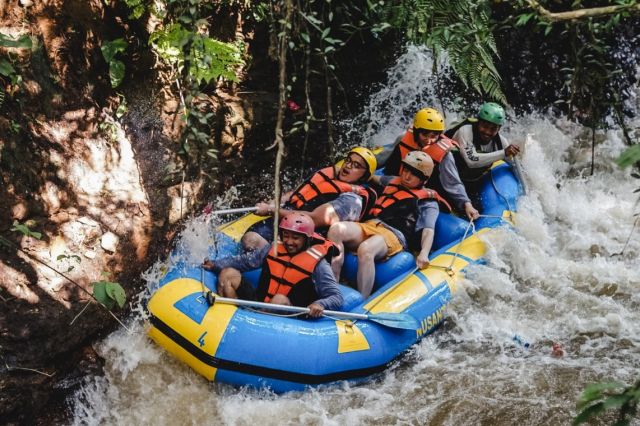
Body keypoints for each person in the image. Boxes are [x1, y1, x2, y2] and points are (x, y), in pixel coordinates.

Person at [328, 151, 447, 298]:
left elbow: (428, 230)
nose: (407, 176)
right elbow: (372, 177)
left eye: (414, 174)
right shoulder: (392, 181)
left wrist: (423, 253)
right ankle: (333, 286)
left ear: (424, 179)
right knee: (336, 229)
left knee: (366, 249)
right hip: (370, 225)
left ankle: (362, 299)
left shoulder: (428, 202)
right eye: (406, 170)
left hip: (393, 235)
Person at [202, 214, 343, 317]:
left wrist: (321, 304)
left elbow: (336, 297)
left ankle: (252, 320)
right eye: (286, 235)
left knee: (279, 300)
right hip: (260, 302)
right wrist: (215, 264)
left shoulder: (319, 264)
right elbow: (245, 262)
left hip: (291, 313)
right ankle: (234, 317)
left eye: (295, 238)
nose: (289, 242)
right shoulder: (273, 248)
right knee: (227, 274)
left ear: (307, 239)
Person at [242, 147, 378, 251]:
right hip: (289, 215)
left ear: (364, 176)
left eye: (356, 165)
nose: (348, 166)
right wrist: (276, 202)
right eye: (348, 161)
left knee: (253, 241)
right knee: (250, 240)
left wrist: (272, 210)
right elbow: (297, 193)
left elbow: (314, 219)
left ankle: (276, 262)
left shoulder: (351, 200)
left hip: (308, 231)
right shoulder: (329, 175)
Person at [375, 107, 479, 220]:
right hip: (395, 182)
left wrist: (467, 204)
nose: (429, 140)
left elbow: (453, 183)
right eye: (425, 134)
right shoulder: (403, 138)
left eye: (434, 135)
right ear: (416, 131)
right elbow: (382, 158)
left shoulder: (445, 155)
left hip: (422, 193)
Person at [445, 102, 520, 204]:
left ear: (499, 129)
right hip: (446, 179)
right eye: (484, 126)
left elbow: (515, 166)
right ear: (478, 122)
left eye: (493, 129)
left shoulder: (501, 142)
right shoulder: (465, 131)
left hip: (471, 182)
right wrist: (503, 153)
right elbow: (471, 161)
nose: (487, 132)